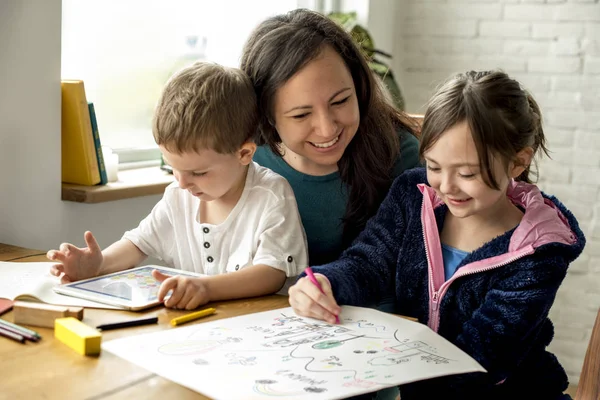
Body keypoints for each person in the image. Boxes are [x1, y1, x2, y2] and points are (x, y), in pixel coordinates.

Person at [288, 70, 586, 400]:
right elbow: (368, 263)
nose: (446, 185)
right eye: (434, 166)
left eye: (467, 173)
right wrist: (324, 283)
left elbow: (483, 356)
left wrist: (388, 368)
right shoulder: (413, 196)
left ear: (517, 163)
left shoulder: (538, 252)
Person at [47, 62, 308, 310]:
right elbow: (139, 244)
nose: (182, 183)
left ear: (244, 154)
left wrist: (206, 288)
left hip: (260, 330)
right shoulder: (177, 196)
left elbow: (271, 273)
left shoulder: (272, 195)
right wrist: (98, 264)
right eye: (173, 168)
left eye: (198, 172)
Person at [241, 9, 420, 268]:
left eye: (340, 101)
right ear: (267, 115)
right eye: (302, 115)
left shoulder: (399, 154)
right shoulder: (246, 160)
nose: (327, 130)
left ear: (358, 87)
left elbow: (407, 272)